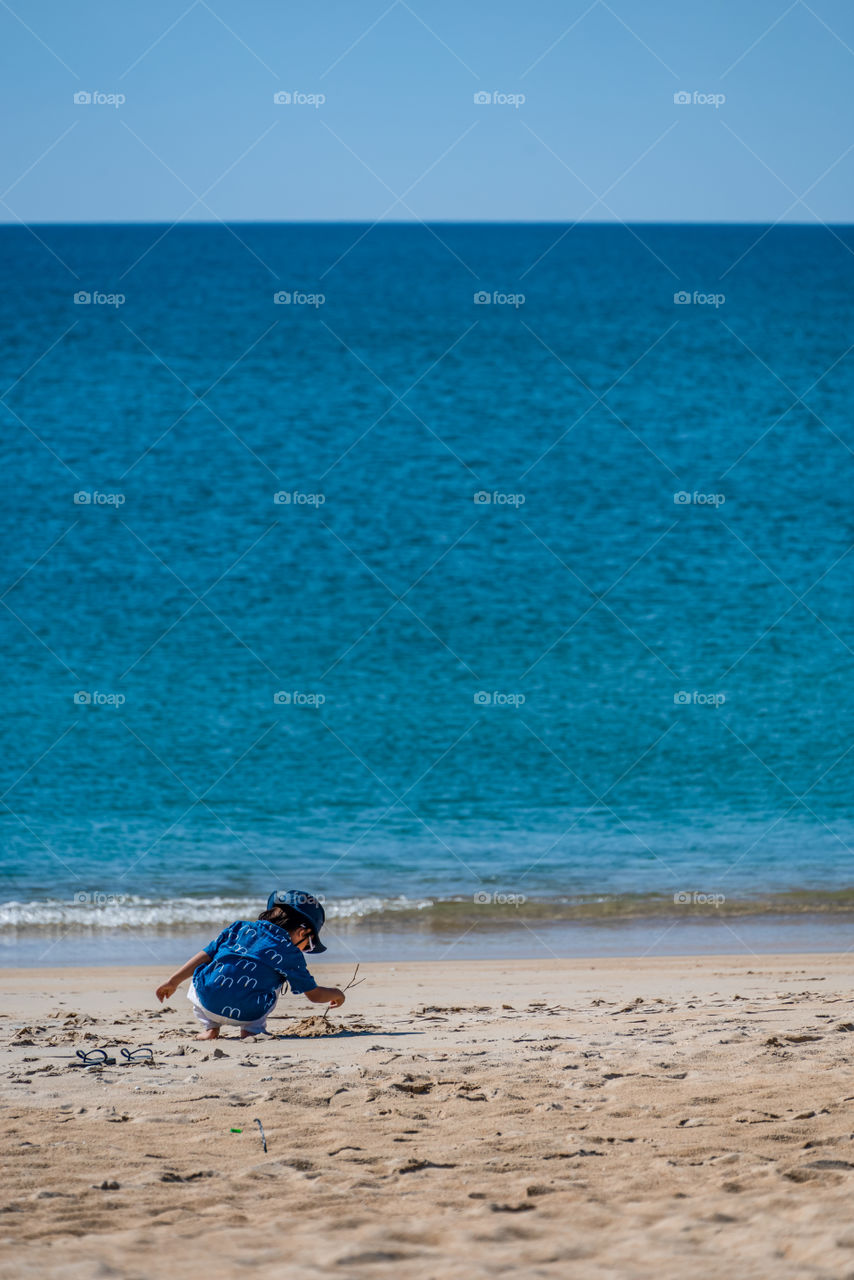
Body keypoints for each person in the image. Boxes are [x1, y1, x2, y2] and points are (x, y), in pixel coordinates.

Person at [155, 889, 345, 1039]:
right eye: (310, 945)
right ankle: (252, 1030)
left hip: (206, 1005)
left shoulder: (239, 928)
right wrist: (337, 993)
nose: (305, 950)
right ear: (303, 932)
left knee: (211, 965)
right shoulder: (291, 954)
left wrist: (173, 981)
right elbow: (314, 995)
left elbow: (205, 954)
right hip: (248, 1012)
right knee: (276, 977)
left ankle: (210, 1028)